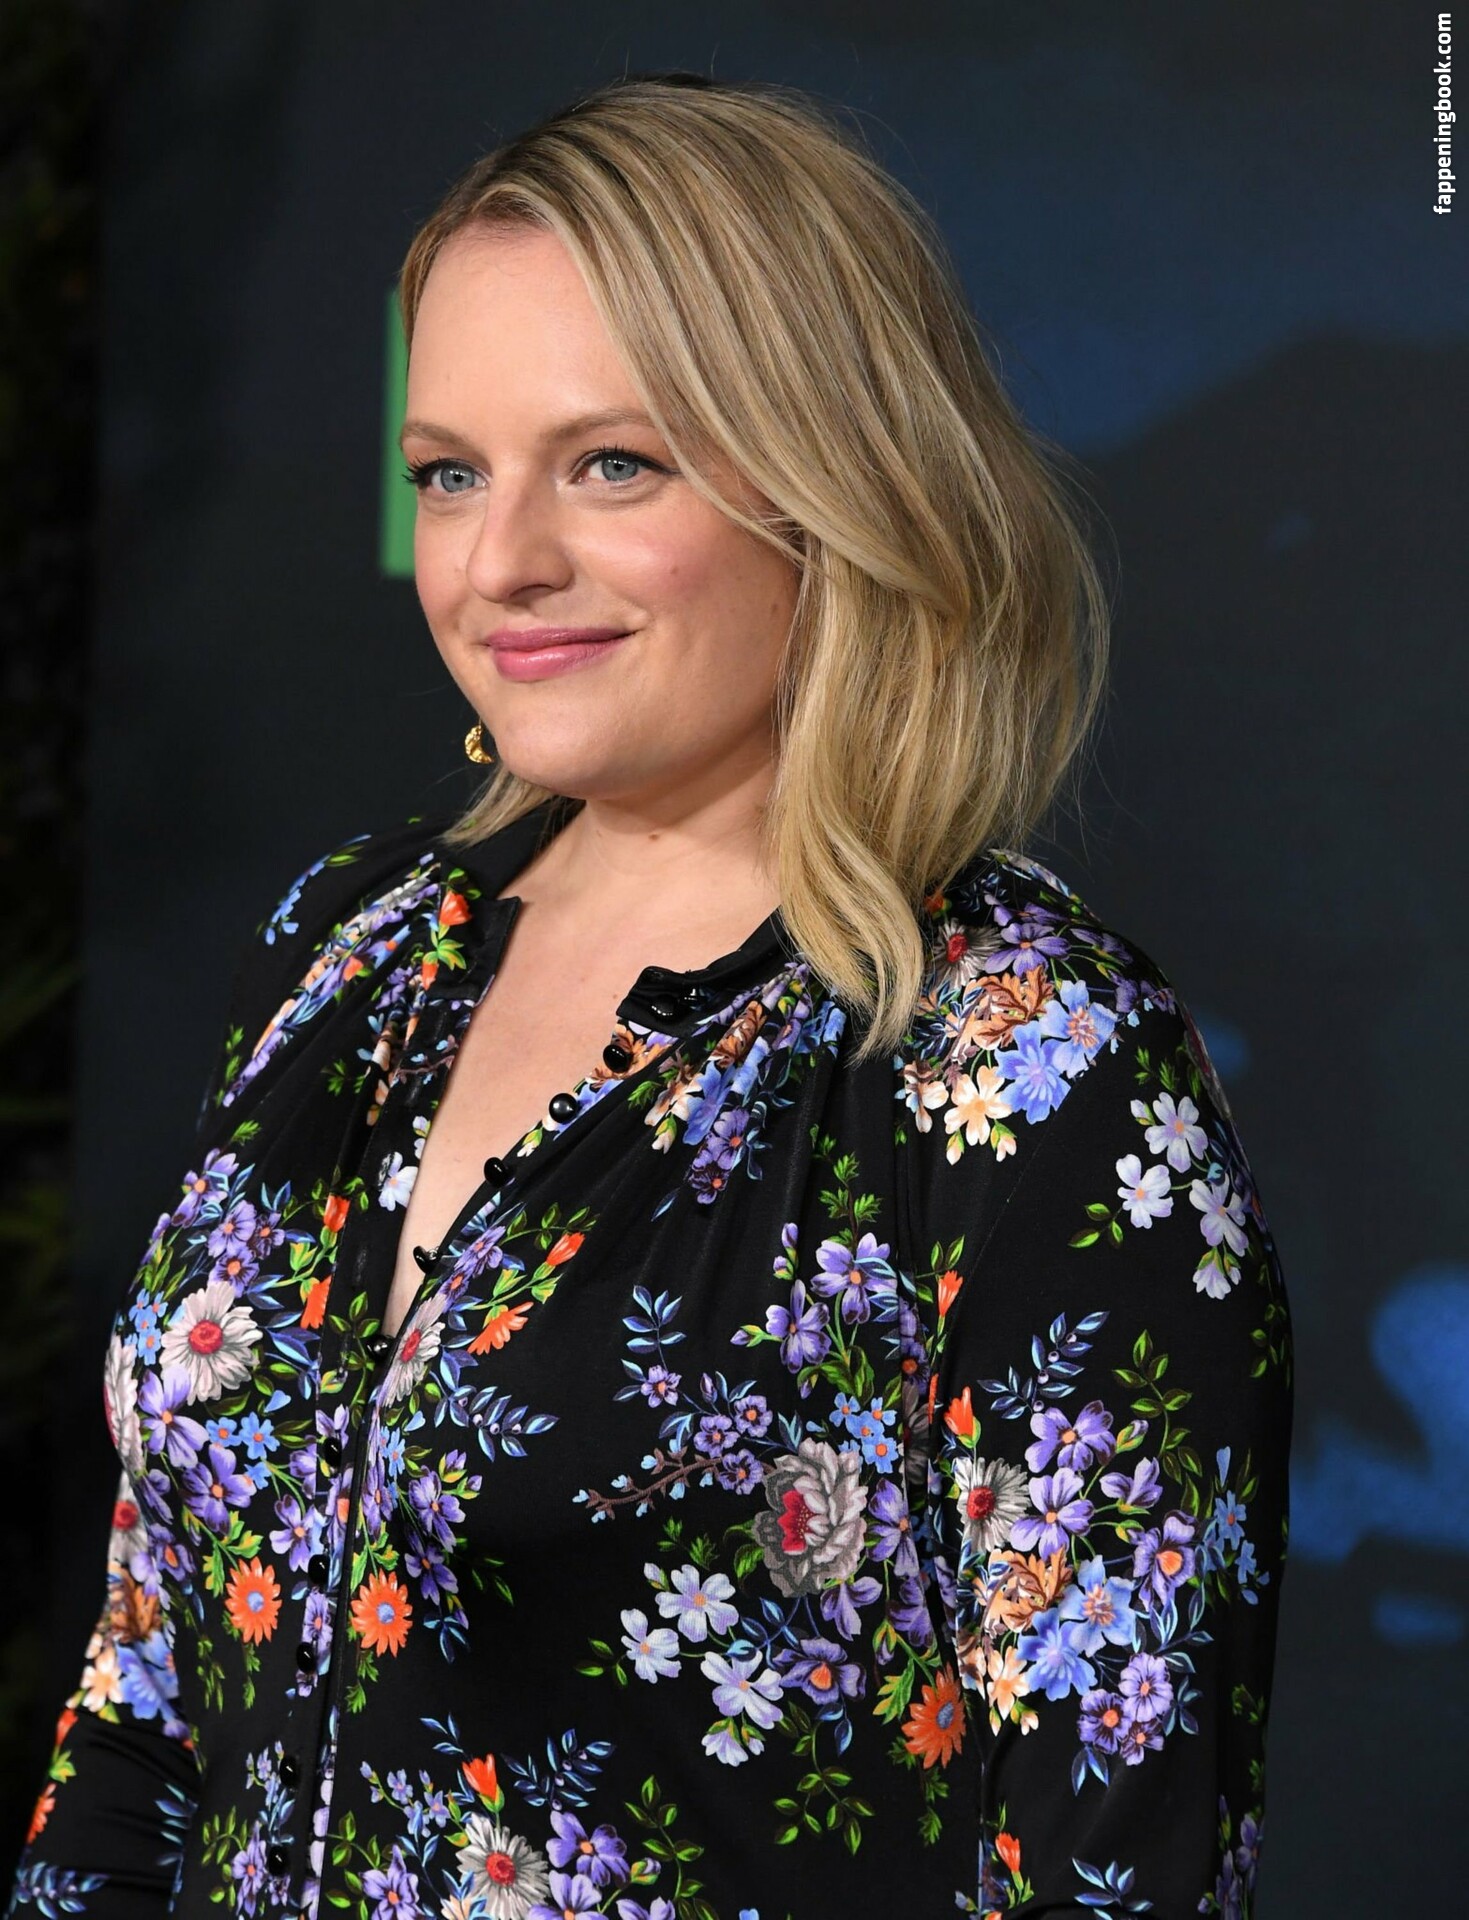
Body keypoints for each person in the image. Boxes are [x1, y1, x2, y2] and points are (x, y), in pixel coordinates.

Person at [10, 71, 1291, 1920]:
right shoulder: (347, 949)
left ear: (832, 479)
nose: (498, 562)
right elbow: (150, 1691)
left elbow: (1119, 1869)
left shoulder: (1032, 1054)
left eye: (611, 462)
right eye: (449, 473)